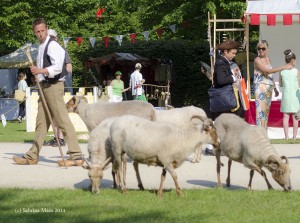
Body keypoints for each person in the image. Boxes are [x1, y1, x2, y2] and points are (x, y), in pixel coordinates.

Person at [13, 18, 83, 166]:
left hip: (54, 85)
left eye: (42, 30)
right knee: (41, 123)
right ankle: (32, 156)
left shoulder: (53, 45)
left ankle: (76, 156)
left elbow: (58, 67)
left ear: (47, 29)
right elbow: (43, 70)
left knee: (62, 120)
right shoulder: (41, 46)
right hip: (44, 87)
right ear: (34, 32)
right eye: (37, 31)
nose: (40, 34)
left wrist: (40, 71)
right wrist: (38, 74)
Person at [253, 40, 291, 128]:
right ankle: (260, 135)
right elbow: (266, 71)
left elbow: (270, 74)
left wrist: (275, 88)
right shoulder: (257, 60)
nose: (261, 50)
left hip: (269, 87)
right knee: (260, 112)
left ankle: (264, 134)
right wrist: (283, 67)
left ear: (267, 49)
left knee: (266, 112)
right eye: (259, 48)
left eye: (263, 48)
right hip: (260, 86)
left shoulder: (268, 59)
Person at [279, 49, 300, 140]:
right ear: (292, 60)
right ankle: (295, 137)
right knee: (296, 117)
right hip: (295, 97)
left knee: (285, 117)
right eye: (295, 60)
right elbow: (299, 84)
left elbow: (280, 84)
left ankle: (286, 137)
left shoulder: (282, 71)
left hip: (286, 96)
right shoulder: (296, 71)